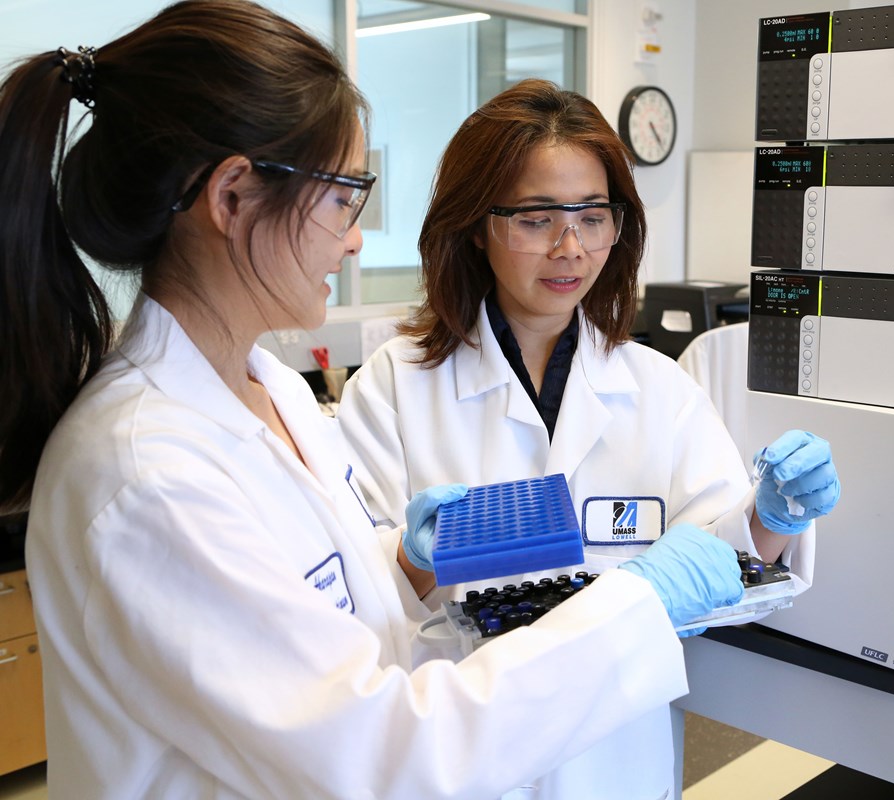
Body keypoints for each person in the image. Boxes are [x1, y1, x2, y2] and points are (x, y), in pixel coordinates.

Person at [0, 4, 750, 798]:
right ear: (231, 197)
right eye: (343, 198)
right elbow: (387, 754)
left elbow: (334, 625)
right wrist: (638, 603)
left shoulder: (271, 391)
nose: (356, 237)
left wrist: (400, 563)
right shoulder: (144, 473)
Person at [336, 79, 842, 799]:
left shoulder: (657, 389)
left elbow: (722, 563)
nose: (571, 247)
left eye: (593, 216)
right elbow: (349, 606)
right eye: (538, 218)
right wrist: (415, 561)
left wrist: (774, 517)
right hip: (464, 757)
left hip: (615, 758)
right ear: (478, 224)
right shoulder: (394, 387)